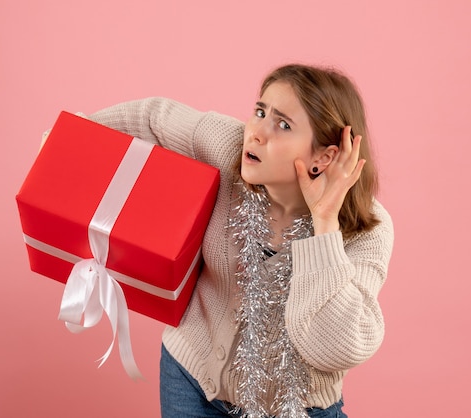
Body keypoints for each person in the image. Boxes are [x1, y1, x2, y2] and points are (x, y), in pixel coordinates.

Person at [86, 64, 394, 418]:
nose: (256, 133)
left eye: (283, 124)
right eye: (260, 112)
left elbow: (332, 347)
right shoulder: (229, 147)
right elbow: (153, 116)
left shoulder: (367, 229)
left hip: (299, 409)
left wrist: (324, 221)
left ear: (324, 157)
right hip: (192, 382)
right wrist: (71, 134)